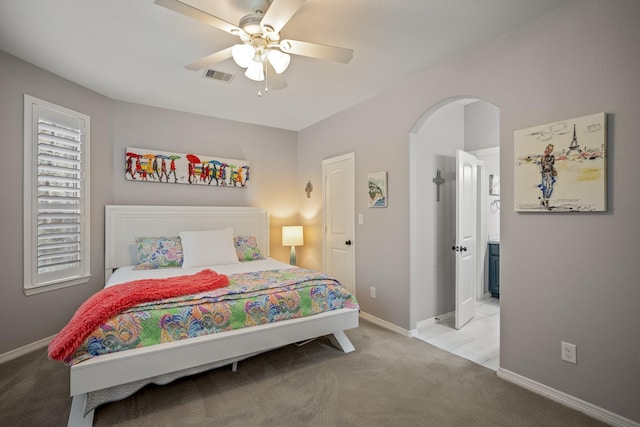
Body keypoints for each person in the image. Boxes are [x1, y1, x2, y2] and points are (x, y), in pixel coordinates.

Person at [538, 144, 556, 209]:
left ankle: (546, 199)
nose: (550, 150)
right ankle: (545, 200)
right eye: (549, 149)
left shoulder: (552, 157)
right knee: (545, 187)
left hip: (550, 173)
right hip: (544, 173)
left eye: (551, 149)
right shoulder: (542, 157)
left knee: (550, 187)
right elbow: (542, 166)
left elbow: (551, 164)